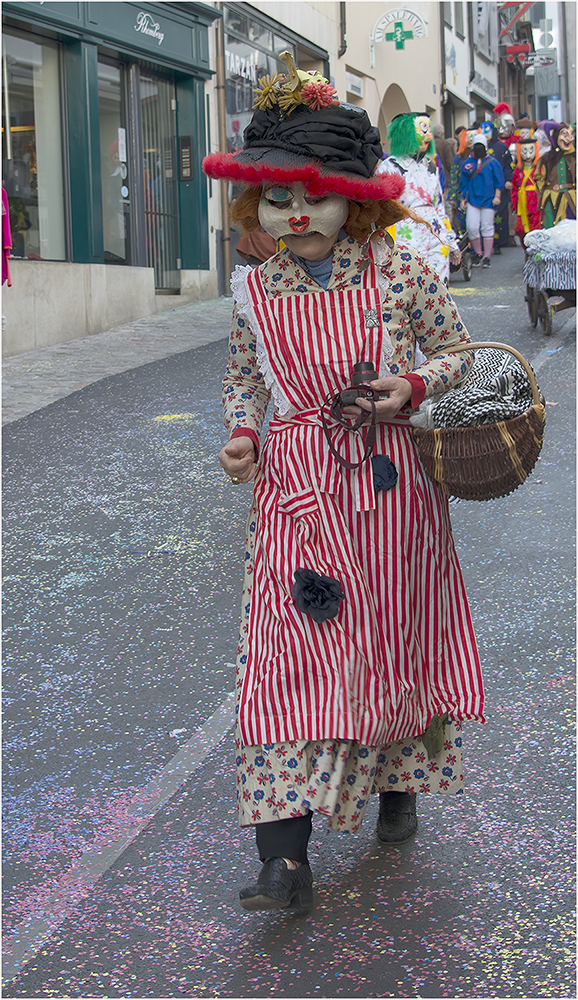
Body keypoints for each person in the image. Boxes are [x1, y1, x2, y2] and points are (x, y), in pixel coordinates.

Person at [202, 53, 484, 913]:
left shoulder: (403, 275)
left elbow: (463, 359)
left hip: (394, 498)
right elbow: (245, 378)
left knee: (390, 647)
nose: (296, 215)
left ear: (354, 199)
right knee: (289, 661)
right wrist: (244, 434)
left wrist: (416, 387)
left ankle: (398, 782)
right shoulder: (254, 293)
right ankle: (283, 857)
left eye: (313, 196)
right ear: (260, 205)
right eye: (278, 200)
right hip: (296, 499)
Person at [377, 112, 460, 284]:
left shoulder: (430, 166)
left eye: (428, 130)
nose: (428, 136)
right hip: (405, 237)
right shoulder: (390, 167)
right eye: (422, 131)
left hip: (436, 236)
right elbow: (382, 211)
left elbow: (439, 208)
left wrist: (451, 241)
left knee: (439, 290)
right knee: (411, 289)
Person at [460, 133, 505, 267]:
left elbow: (499, 180)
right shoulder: (467, 163)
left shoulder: (493, 163)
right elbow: (463, 182)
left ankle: (487, 256)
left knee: (487, 227)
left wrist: (497, 196)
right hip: (473, 199)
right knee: (472, 227)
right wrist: (463, 198)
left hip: (488, 200)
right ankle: (478, 253)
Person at [535, 122, 576, 228]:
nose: (569, 138)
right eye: (565, 134)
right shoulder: (547, 158)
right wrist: (543, 193)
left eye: (571, 134)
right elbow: (539, 178)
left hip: (572, 199)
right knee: (551, 225)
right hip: (551, 198)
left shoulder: (575, 158)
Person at [510, 120, 541, 242]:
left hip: (536, 202)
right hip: (522, 203)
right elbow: (514, 187)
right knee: (521, 229)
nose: (528, 154)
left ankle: (535, 251)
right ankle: (526, 250)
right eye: (524, 151)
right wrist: (514, 203)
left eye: (530, 150)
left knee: (536, 227)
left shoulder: (540, 167)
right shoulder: (517, 170)